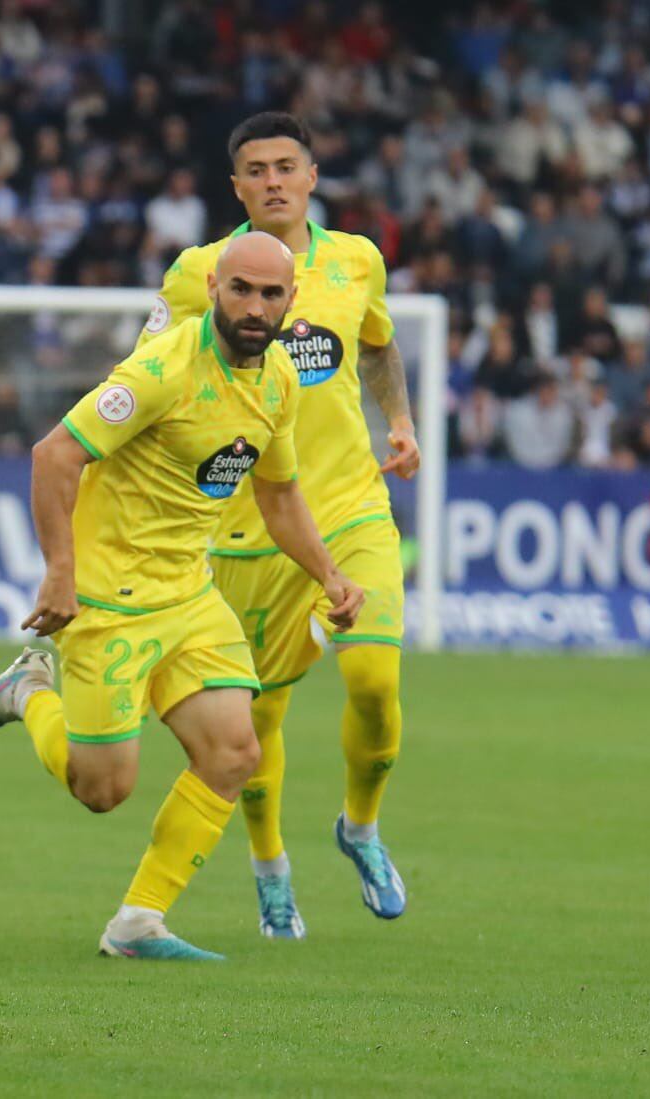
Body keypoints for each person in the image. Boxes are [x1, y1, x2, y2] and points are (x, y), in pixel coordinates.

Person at [0, 233, 363, 961]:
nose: (255, 306)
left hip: (188, 594)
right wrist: (59, 570)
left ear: (291, 301)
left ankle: (139, 920)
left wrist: (330, 574)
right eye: (241, 288)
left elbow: (279, 495)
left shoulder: (277, 378)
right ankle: (28, 692)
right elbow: (55, 452)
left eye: (271, 294)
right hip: (108, 599)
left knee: (235, 750)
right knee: (102, 788)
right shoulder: (162, 369)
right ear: (214, 285)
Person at [131, 113, 418, 938]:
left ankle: (359, 827)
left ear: (313, 174)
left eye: (286, 166)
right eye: (255, 169)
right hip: (250, 529)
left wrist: (398, 420)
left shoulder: (357, 258)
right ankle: (271, 869)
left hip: (352, 505)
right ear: (237, 187)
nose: (273, 181)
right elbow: (144, 368)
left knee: (374, 682)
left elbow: (375, 347)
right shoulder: (198, 273)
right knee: (255, 724)